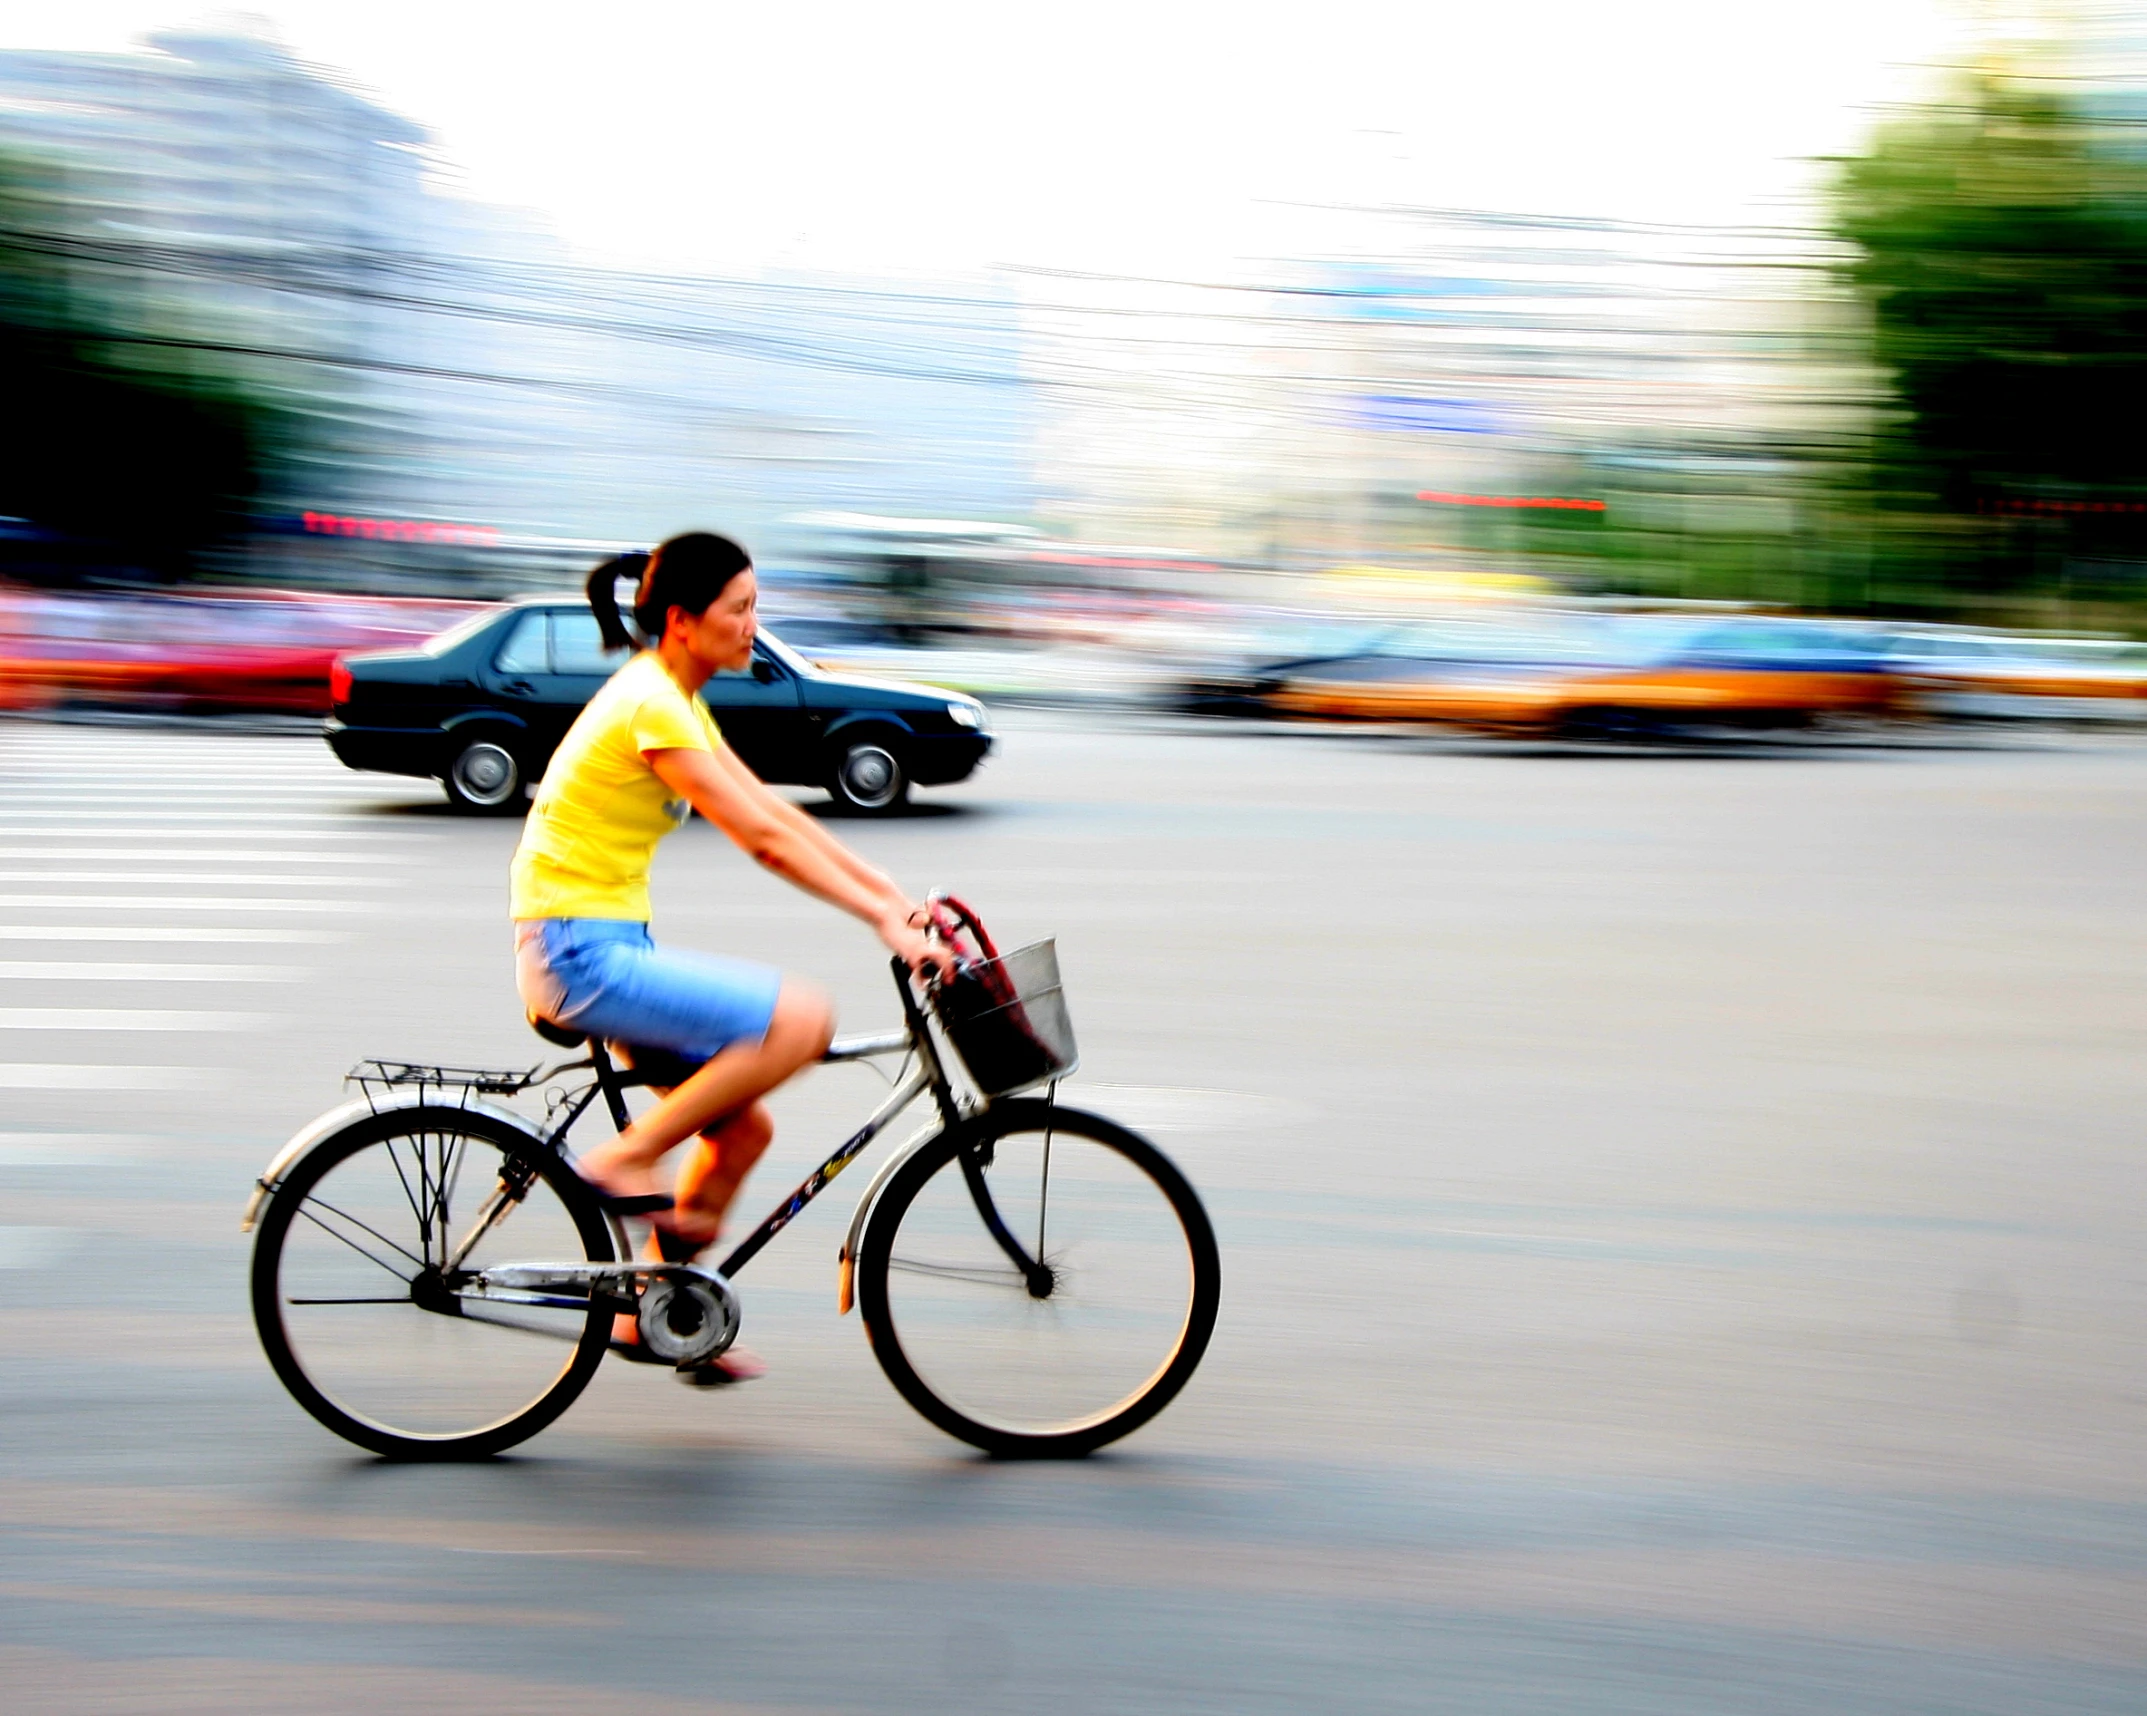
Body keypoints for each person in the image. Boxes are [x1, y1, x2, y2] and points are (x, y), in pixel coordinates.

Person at [510, 531, 954, 1380]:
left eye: (756, 607)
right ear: (683, 620)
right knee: (802, 1018)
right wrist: (879, 922)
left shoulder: (674, 697)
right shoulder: (653, 703)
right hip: (577, 953)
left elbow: (778, 814)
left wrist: (890, 899)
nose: (753, 625)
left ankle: (662, 1312)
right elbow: (758, 841)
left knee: (741, 1129)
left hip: (601, 944)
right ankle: (621, 1159)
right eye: (739, 609)